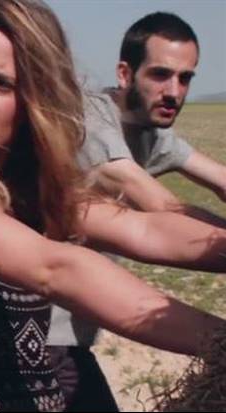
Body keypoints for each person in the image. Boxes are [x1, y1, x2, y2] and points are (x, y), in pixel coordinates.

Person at [0, 0, 226, 411]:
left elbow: (144, 228)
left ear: (35, 95)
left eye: (0, 83)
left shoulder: (29, 189)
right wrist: (220, 343)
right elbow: (56, 269)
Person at [48, 12, 226, 410]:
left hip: (71, 337)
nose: (174, 91)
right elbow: (161, 207)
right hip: (36, 335)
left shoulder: (150, 133)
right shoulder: (89, 121)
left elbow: (219, 177)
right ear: (125, 74)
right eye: (160, 75)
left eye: (185, 78)